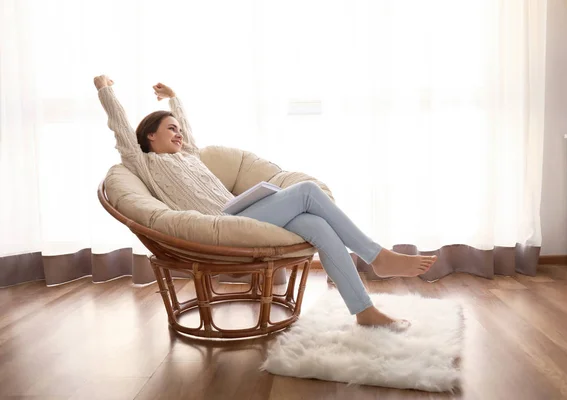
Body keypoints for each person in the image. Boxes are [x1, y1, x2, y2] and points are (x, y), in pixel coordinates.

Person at [94, 75, 437, 330]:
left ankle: (364, 311)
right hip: (222, 220)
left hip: (241, 208)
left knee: (316, 226)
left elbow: (188, 130)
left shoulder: (191, 155)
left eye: (179, 130)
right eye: (171, 129)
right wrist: (105, 89)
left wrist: (174, 99)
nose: (179, 134)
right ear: (150, 136)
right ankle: (376, 256)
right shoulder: (145, 163)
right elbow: (122, 132)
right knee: (307, 192)